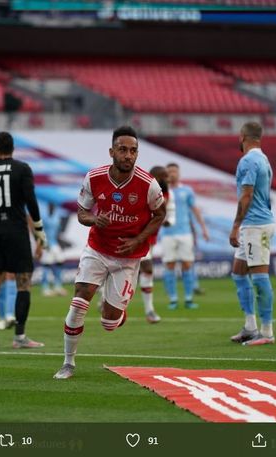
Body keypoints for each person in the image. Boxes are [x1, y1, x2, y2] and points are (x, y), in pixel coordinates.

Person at [53, 126, 166, 379]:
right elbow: (82, 212)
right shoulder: (94, 178)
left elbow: (160, 214)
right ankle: (68, 363)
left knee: (109, 323)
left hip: (128, 258)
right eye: (123, 149)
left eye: (133, 151)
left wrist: (138, 239)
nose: (128, 155)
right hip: (97, 249)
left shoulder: (148, 184)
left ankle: (117, 310)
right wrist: (93, 219)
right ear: (112, 151)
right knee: (80, 300)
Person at [0, 131, 48, 350]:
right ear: (13, 148)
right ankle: (19, 337)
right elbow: (31, 201)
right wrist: (38, 228)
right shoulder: (22, 169)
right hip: (16, 232)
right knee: (23, 285)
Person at [229, 122, 276, 346]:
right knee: (239, 273)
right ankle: (250, 326)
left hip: (255, 225)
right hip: (255, 223)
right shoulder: (264, 159)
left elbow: (246, 195)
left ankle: (267, 332)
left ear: (242, 136)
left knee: (259, 276)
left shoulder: (248, 160)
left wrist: (236, 225)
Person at [159, 163, 209, 310]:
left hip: (185, 233)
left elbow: (195, 210)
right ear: (166, 174)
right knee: (169, 266)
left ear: (179, 173)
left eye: (175, 171)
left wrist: (203, 229)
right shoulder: (161, 191)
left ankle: (188, 299)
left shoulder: (187, 191)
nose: (172, 174)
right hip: (167, 233)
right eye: (170, 172)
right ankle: (173, 299)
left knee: (187, 264)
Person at [139, 165, 176, 323]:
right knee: (146, 268)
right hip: (135, 236)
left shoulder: (168, 193)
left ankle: (149, 311)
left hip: (150, 238)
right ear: (155, 177)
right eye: (165, 177)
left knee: (138, 271)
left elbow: (171, 212)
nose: (168, 179)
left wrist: (169, 222)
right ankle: (150, 311)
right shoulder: (143, 188)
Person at [41, 202, 68, 297]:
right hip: (47, 244)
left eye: (53, 206)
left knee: (60, 262)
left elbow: (58, 231)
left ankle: (58, 286)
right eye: (50, 206)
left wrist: (61, 242)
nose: (51, 208)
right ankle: (45, 288)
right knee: (46, 265)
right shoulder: (44, 218)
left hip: (55, 244)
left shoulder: (56, 217)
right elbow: (41, 231)